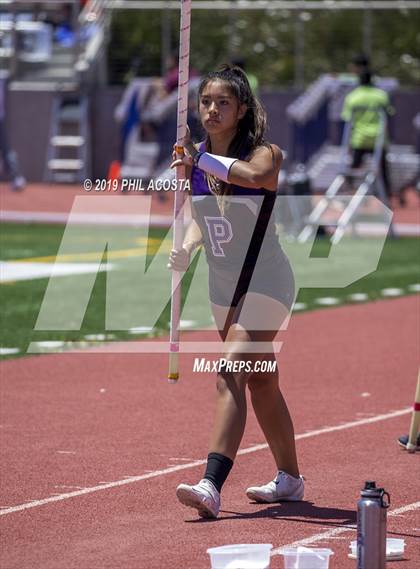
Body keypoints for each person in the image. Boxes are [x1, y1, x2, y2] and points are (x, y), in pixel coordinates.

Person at [168, 64, 303, 519]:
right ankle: (290, 479)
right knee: (261, 378)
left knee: (229, 370)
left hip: (266, 280)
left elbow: (252, 177)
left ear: (242, 109)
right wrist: (185, 248)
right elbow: (199, 218)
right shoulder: (196, 161)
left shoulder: (266, 153)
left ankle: (211, 483)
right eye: (205, 101)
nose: (212, 109)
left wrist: (196, 158)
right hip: (222, 286)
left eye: (223, 102)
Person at [341, 70, 394, 201]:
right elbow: (389, 113)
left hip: (359, 139)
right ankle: (386, 197)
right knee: (382, 169)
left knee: (354, 167)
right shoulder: (381, 95)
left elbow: (347, 118)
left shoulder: (352, 97)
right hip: (378, 139)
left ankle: (350, 191)